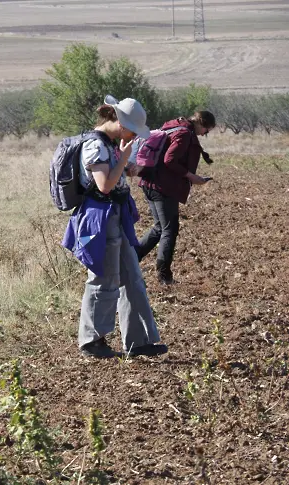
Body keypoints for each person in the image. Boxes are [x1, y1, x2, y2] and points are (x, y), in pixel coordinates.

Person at [62, 95, 168, 359]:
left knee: (132, 277)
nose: (133, 135)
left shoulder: (109, 144)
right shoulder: (93, 146)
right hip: (100, 219)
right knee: (103, 279)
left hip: (115, 216)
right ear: (120, 123)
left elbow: (113, 177)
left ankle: (138, 341)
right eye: (132, 129)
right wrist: (123, 158)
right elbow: (104, 186)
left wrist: (125, 163)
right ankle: (92, 341)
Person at [135, 111, 216, 284]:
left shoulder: (175, 126)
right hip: (163, 187)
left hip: (150, 182)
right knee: (169, 230)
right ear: (201, 123)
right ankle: (164, 276)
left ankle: (131, 260)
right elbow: (169, 160)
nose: (204, 134)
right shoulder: (185, 133)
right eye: (206, 130)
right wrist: (191, 177)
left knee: (160, 228)